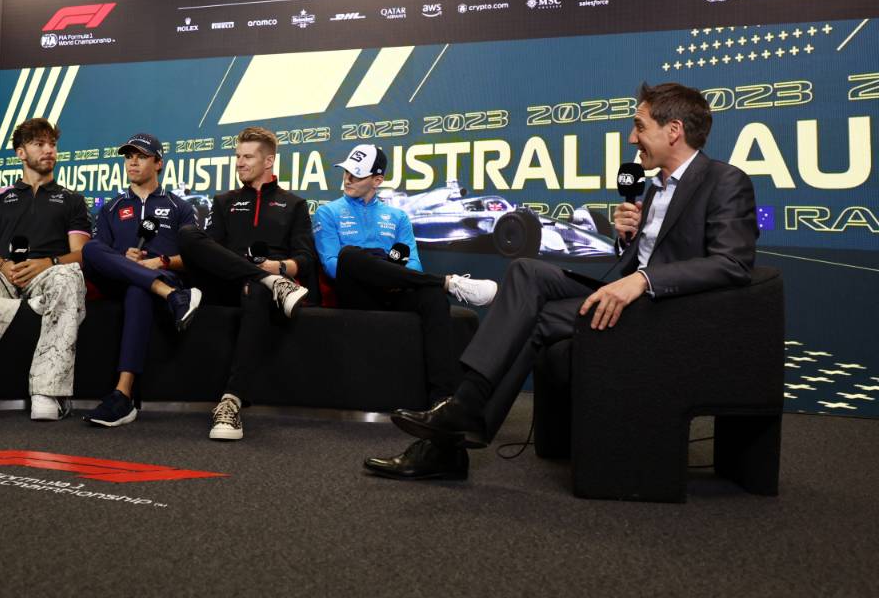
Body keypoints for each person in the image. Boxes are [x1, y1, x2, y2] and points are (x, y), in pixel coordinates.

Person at [366, 82, 758, 480]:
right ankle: (462, 413)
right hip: (628, 296)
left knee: (538, 320)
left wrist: (644, 279)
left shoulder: (725, 181)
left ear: (674, 130)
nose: (631, 137)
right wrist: (628, 240)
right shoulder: (655, 190)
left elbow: (732, 263)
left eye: (639, 126)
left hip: (665, 310)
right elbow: (644, 258)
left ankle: (454, 428)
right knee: (526, 271)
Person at [313, 143, 499, 415]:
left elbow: (413, 264)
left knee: (433, 297)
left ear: (377, 180)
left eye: (357, 174)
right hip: (355, 293)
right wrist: (380, 264)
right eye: (346, 172)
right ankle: (447, 282)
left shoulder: (397, 216)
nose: (348, 179)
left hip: (394, 290)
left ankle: (442, 401)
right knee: (350, 256)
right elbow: (332, 266)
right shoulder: (327, 213)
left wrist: (390, 274)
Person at [0, 118, 89, 423]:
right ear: (21, 153)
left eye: (52, 144)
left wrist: (48, 263)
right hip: (4, 274)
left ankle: (49, 392)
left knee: (69, 275)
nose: (49, 150)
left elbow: (80, 254)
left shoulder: (73, 199)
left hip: (49, 274)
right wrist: (3, 264)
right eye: (39, 144)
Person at [178, 126, 316, 441]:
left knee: (256, 289)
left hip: (266, 290)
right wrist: (257, 273)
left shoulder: (294, 204)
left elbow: (306, 259)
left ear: (268, 161)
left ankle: (231, 402)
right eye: (238, 156)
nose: (239, 162)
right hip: (226, 283)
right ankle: (267, 280)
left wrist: (278, 268)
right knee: (187, 235)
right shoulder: (223, 201)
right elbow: (210, 251)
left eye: (248, 157)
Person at [79, 133, 202, 428]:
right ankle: (171, 295)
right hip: (120, 280)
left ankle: (122, 395)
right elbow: (99, 256)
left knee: (138, 289)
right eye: (128, 157)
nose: (132, 162)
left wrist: (159, 262)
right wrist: (123, 258)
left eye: (141, 156)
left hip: (161, 275)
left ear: (158, 163)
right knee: (91, 248)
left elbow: (195, 257)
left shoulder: (180, 207)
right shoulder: (110, 208)